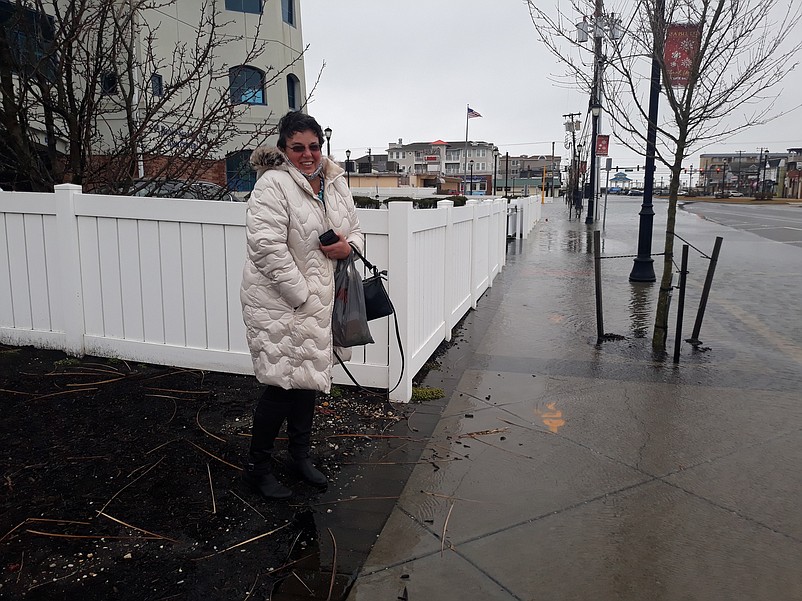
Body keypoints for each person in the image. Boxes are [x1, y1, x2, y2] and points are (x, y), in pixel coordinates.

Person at [240, 111, 364, 500]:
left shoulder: (335, 182)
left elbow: (356, 230)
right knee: (280, 384)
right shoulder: (273, 186)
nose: (307, 155)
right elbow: (266, 247)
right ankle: (258, 468)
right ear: (283, 149)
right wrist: (302, 296)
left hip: (322, 302)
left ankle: (299, 456)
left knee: (308, 381)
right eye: (298, 148)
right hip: (282, 303)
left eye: (314, 146)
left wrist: (350, 248)